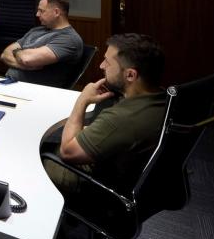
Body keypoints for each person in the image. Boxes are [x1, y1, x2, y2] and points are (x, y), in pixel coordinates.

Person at [44, 33, 167, 195]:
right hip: (131, 177)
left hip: (98, 183)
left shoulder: (121, 118)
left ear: (130, 74)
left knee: (38, 155)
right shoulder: (162, 98)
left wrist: (82, 101)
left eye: (107, 62)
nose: (102, 66)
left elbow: (67, 152)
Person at [0, 0, 83, 88]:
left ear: (56, 12)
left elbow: (27, 59)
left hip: (36, 92)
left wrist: (16, 51)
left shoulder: (69, 39)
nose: (37, 14)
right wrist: (23, 65)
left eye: (41, 11)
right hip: (10, 83)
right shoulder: (37, 30)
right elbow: (4, 55)